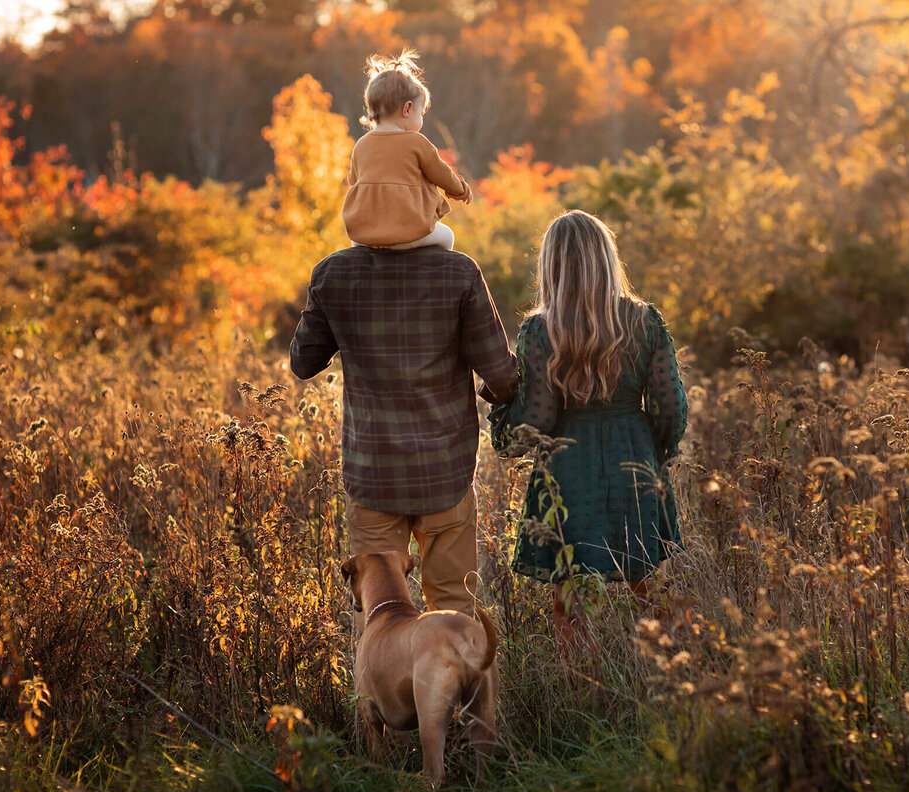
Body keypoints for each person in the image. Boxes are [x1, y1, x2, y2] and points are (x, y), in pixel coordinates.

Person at [490, 210, 688, 649]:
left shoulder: (540, 330)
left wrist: (501, 424)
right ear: (606, 260)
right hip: (634, 459)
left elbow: (537, 419)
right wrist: (654, 452)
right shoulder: (644, 320)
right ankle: (667, 679)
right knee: (647, 583)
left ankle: (581, 693)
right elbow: (670, 408)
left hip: (567, 466)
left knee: (571, 598)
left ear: (551, 267)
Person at [289, 243, 517, 617]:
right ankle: (455, 677)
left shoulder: (334, 273)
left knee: (380, 615)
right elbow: (502, 376)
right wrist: (490, 390)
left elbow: (303, 361)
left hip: (373, 473)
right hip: (445, 471)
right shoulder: (459, 272)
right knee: (455, 610)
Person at [342, 49, 472, 251]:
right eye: (421, 113)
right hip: (410, 233)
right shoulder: (416, 142)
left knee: (355, 246)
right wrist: (461, 190)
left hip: (365, 236)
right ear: (407, 109)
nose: (421, 119)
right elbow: (443, 174)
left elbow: (353, 182)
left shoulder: (361, 145)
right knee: (447, 237)